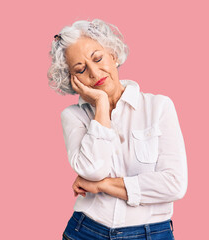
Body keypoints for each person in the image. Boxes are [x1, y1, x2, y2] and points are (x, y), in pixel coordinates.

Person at [47, 19, 188, 240]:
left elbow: (174, 185)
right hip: (86, 230)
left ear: (113, 55)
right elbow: (93, 170)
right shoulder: (73, 116)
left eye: (98, 58)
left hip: (150, 233)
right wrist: (101, 103)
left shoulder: (159, 107)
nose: (94, 73)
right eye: (81, 69)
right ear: (72, 80)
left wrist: (101, 186)